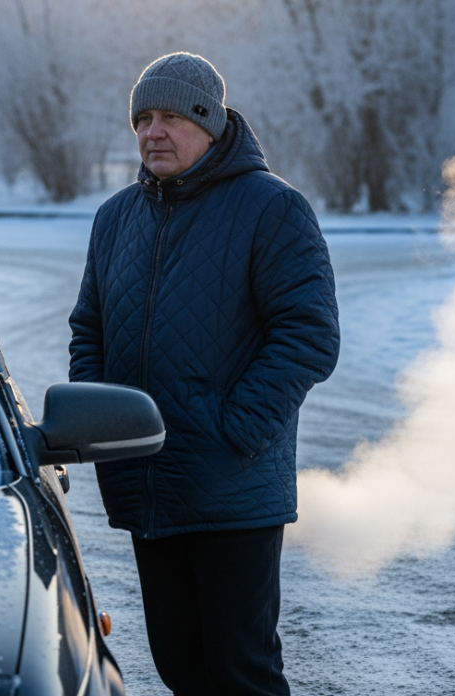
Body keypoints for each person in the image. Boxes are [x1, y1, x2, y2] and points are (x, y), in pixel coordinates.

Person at [68, 52, 339, 696]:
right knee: (179, 665)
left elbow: (309, 335)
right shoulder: (115, 219)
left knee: (241, 670)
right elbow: (90, 331)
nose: (152, 132)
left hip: (232, 488)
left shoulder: (272, 209)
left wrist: (236, 430)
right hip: (145, 482)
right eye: (142, 119)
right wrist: (102, 428)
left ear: (209, 124)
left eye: (169, 118)